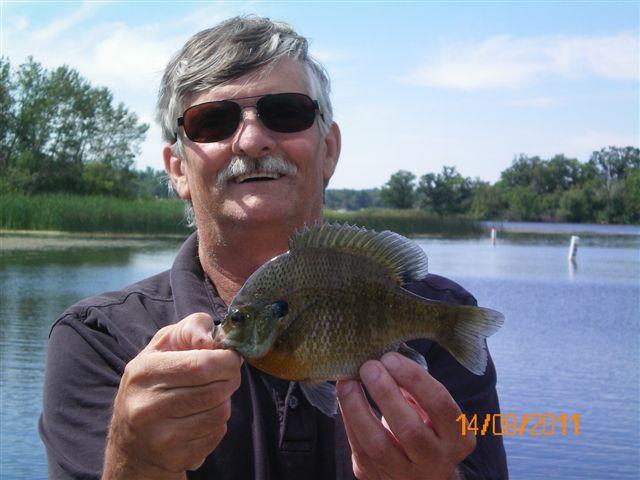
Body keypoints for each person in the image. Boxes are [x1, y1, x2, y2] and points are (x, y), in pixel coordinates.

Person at [39, 16, 508, 480]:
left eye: (285, 113)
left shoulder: (445, 319)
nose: (252, 139)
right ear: (177, 169)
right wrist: (136, 463)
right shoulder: (97, 339)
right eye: (213, 122)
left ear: (328, 150)